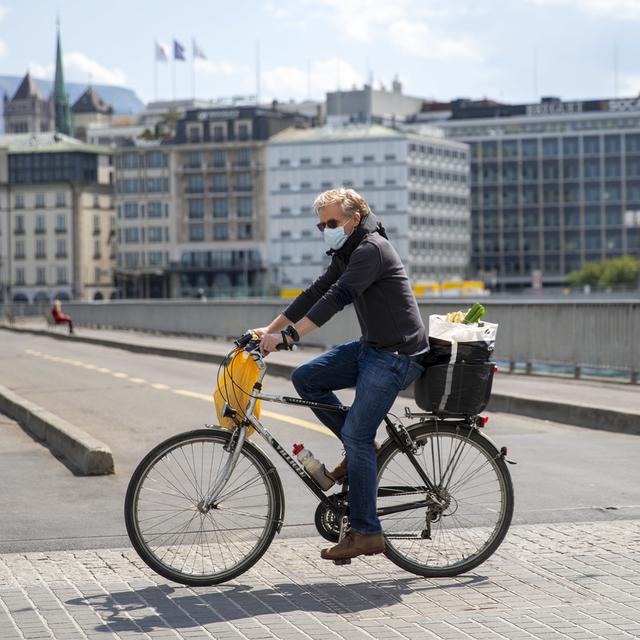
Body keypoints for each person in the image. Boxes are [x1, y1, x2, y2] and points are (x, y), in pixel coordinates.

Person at [252, 188, 428, 562]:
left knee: (356, 435)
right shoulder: (349, 249)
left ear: (355, 216)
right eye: (321, 225)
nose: (327, 229)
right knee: (307, 378)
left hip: (396, 355)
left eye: (332, 222)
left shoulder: (372, 249)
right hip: (373, 347)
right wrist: (266, 330)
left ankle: (366, 532)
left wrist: (288, 337)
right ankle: (365, 450)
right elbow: (315, 291)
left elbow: (337, 297)